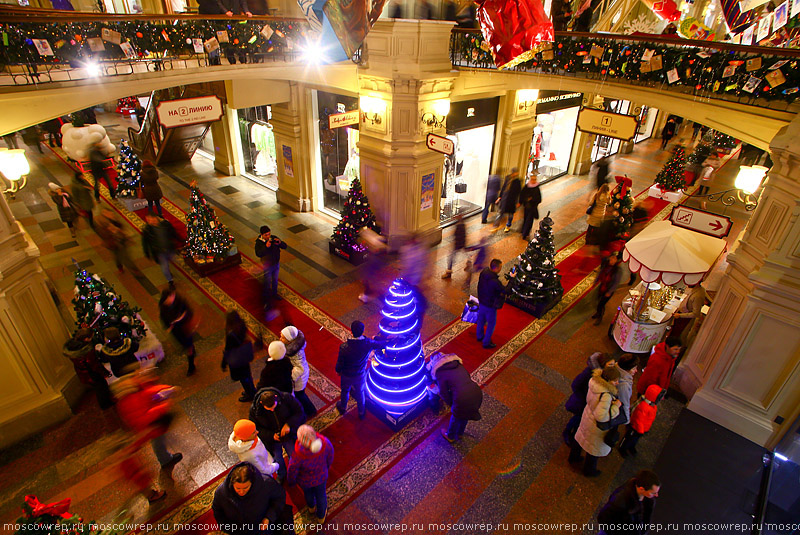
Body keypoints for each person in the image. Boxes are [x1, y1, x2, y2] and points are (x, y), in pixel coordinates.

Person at [112, 367, 183, 469]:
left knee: (157, 441)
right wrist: (165, 402)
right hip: (153, 426)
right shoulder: (136, 398)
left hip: (147, 427)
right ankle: (165, 460)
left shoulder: (124, 402)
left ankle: (164, 458)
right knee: (158, 441)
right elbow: (152, 399)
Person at [568, 365, 622, 477]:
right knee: (593, 450)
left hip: (587, 416)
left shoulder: (594, 382)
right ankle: (589, 470)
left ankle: (573, 458)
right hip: (595, 426)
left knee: (581, 438)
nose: (617, 383)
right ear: (608, 380)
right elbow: (601, 416)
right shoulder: (606, 395)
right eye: (615, 381)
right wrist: (616, 407)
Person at [212, 462, 286, 535]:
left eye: (245, 488)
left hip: (263, 529)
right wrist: (230, 529)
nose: (241, 492)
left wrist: (269, 517)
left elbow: (279, 498)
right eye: (238, 488)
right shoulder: (221, 492)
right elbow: (218, 512)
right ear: (232, 482)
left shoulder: (267, 484)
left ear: (252, 482)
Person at [249, 388, 307, 481]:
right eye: (269, 408)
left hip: (288, 435)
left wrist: (289, 424)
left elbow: (299, 411)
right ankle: (282, 474)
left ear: (276, 398)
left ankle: (296, 471)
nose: (272, 410)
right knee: (277, 459)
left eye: (274, 406)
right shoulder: (255, 410)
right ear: (261, 403)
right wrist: (271, 435)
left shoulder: (286, 398)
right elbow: (256, 429)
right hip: (272, 440)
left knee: (293, 454)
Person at [562, 352, 616, 445]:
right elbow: (575, 385)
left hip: (588, 402)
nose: (613, 367)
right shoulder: (588, 373)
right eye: (610, 364)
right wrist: (585, 397)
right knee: (577, 419)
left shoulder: (603, 374)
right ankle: (567, 432)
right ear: (603, 364)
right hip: (581, 402)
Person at [428, 352, 483, 442]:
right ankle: (460, 433)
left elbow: (443, 392)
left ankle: (450, 436)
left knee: (456, 416)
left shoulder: (439, 372)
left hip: (462, 398)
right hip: (476, 392)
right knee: (465, 415)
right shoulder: (458, 364)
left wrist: (452, 404)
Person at [335, 320, 385, 419]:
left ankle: (343, 407)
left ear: (351, 331)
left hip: (346, 374)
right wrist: (376, 338)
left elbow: (340, 362)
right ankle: (361, 412)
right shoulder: (368, 343)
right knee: (360, 392)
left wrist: (338, 370)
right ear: (363, 331)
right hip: (360, 374)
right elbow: (382, 344)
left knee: (345, 391)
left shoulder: (344, 347)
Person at [286, 425, 334, 524]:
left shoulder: (296, 455)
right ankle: (321, 517)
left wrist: (291, 482)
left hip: (305, 482)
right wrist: (327, 467)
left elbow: (292, 470)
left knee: (308, 494)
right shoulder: (325, 443)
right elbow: (330, 456)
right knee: (321, 496)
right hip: (321, 478)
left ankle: (311, 507)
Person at [63, 328, 113, 409]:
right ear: (86, 338)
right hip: (92, 373)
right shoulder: (86, 350)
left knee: (98, 388)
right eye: (91, 337)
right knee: (102, 387)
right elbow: (94, 364)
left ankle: (104, 403)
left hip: (84, 373)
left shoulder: (73, 348)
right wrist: (103, 372)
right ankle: (106, 404)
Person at [476, 258, 516, 349]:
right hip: (490, 305)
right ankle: (486, 342)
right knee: (491, 324)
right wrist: (512, 279)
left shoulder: (484, 273)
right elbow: (505, 291)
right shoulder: (495, 282)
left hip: (482, 301)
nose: (501, 269)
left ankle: (479, 336)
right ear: (497, 268)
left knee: (481, 320)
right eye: (500, 267)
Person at [159, 288, 198, 376]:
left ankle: (191, 366)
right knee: (183, 344)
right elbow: (163, 317)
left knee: (189, 347)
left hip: (185, 328)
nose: (168, 302)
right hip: (176, 330)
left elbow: (189, 312)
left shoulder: (180, 302)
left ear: (172, 296)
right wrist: (168, 326)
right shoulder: (163, 305)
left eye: (169, 299)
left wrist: (180, 319)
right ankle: (189, 348)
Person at [619, 384, 664, 457]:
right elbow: (638, 420)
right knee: (629, 438)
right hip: (636, 428)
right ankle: (623, 448)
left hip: (642, 428)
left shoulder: (651, 405)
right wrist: (641, 430)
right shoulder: (644, 407)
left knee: (634, 439)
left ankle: (631, 446)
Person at [221, 311, 258, 402]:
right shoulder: (241, 325)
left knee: (243, 378)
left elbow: (228, 350)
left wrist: (223, 363)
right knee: (247, 375)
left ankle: (250, 394)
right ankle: (251, 390)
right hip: (244, 356)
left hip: (237, 359)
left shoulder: (231, 335)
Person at [281, 326, 316, 417]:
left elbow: (300, 368)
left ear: (289, 340)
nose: (280, 339)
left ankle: (311, 410)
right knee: (300, 395)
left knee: (300, 395)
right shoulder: (293, 348)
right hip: (300, 375)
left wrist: (291, 378)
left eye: (283, 338)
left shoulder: (295, 353)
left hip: (300, 378)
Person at [95, 209, 143, 276]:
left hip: (120, 240)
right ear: (104, 213)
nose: (111, 215)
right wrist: (113, 231)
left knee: (124, 255)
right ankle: (131, 269)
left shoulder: (113, 219)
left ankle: (127, 268)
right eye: (108, 213)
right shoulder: (103, 222)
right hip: (114, 243)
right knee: (121, 257)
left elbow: (121, 227)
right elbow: (103, 234)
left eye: (111, 213)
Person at [255, 225, 287, 312]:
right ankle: (267, 300)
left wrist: (279, 243)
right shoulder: (259, 242)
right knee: (267, 282)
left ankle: (274, 294)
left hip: (276, 263)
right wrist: (266, 247)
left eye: (269, 234)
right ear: (261, 234)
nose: (268, 236)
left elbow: (285, 246)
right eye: (266, 235)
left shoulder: (273, 238)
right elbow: (258, 253)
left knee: (275, 280)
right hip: (267, 265)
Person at [142, 214, 179, 286]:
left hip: (169, 248)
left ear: (156, 218)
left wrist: (179, 240)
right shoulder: (147, 230)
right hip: (159, 252)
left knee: (174, 260)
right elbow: (145, 243)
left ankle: (172, 273)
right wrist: (147, 253)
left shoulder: (165, 225)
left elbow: (173, 233)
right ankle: (170, 281)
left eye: (152, 219)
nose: (151, 222)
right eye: (149, 220)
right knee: (165, 267)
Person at [358, 227, 388, 303]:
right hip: (374, 265)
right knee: (372, 280)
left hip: (373, 265)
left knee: (369, 280)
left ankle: (367, 296)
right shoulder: (376, 240)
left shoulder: (373, 243)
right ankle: (375, 294)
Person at [592, 253, 622, 325]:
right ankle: (598, 312)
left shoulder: (617, 270)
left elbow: (616, 283)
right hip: (603, 286)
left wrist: (610, 292)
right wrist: (595, 281)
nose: (612, 260)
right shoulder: (606, 265)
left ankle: (600, 317)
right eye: (611, 258)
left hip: (608, 288)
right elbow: (600, 273)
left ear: (616, 260)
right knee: (599, 300)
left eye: (614, 259)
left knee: (601, 304)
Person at [614, 353, 639, 431]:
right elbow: (625, 403)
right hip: (615, 412)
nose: (636, 371)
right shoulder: (624, 385)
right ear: (626, 369)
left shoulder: (614, 369)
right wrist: (627, 419)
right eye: (633, 368)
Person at [495, 168, 522, 232]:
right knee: (500, 212)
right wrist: (500, 197)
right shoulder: (507, 178)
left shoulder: (518, 181)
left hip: (512, 200)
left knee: (510, 214)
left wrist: (518, 202)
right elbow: (503, 188)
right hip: (505, 199)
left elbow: (519, 192)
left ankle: (508, 225)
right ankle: (496, 225)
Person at [442, 213, 467, 279]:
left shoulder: (460, 225)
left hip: (458, 245)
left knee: (450, 258)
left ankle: (448, 273)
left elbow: (461, 236)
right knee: (452, 258)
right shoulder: (461, 223)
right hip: (459, 245)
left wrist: (458, 245)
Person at [518, 173, 542, 240]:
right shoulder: (527, 186)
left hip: (532, 208)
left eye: (535, 179)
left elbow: (539, 199)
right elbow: (522, 195)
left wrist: (532, 199)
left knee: (529, 220)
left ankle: (525, 233)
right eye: (532, 179)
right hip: (526, 207)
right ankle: (524, 231)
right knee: (526, 219)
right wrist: (522, 201)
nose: (533, 181)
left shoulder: (536, 188)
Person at [586, 183, 610, 247]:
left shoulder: (597, 195)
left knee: (590, 228)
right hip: (601, 215)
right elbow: (609, 203)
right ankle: (593, 242)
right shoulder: (608, 196)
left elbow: (591, 203)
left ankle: (587, 240)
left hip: (594, 214)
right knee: (596, 229)